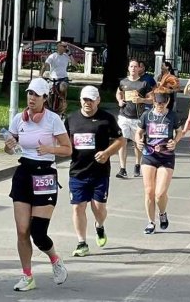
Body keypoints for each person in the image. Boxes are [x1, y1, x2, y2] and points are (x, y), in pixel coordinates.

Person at [3, 78, 72, 292]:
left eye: (36, 95)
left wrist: (50, 150)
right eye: (29, 93)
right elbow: (10, 148)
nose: (31, 98)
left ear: (44, 98)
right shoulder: (18, 119)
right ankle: (27, 276)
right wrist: (9, 146)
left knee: (38, 232)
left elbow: (68, 149)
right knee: (22, 230)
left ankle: (54, 260)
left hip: (45, 175)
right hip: (23, 173)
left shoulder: (53, 120)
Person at [65, 86, 125, 257]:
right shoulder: (72, 119)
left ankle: (99, 226)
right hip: (77, 171)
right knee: (78, 207)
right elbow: (65, 142)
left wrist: (107, 153)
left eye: (91, 100)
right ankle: (82, 242)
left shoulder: (106, 119)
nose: (87, 103)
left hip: (100, 172)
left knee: (98, 208)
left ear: (98, 100)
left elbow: (120, 140)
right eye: (85, 99)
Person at [134, 91, 183, 234]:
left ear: (167, 102)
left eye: (162, 103)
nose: (159, 105)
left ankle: (162, 213)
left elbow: (179, 131)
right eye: (157, 103)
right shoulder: (146, 115)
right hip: (149, 155)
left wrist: (175, 141)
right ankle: (150, 222)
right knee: (149, 191)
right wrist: (138, 141)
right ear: (153, 102)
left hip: (166, 156)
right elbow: (139, 132)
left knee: (160, 193)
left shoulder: (172, 116)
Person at [115, 59, 153, 179]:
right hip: (124, 116)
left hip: (138, 117)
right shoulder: (123, 82)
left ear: (139, 69)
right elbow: (118, 93)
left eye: (135, 67)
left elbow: (152, 99)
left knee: (137, 143)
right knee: (122, 141)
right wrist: (120, 100)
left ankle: (137, 164)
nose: (133, 69)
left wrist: (142, 100)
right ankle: (122, 168)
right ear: (128, 68)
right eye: (131, 66)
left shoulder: (144, 84)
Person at [41, 41, 74, 114]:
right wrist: (41, 75)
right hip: (53, 79)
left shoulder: (66, 56)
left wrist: (70, 54)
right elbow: (46, 65)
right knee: (48, 93)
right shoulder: (53, 56)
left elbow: (74, 64)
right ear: (58, 46)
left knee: (63, 87)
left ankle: (63, 104)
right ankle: (47, 109)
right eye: (64, 46)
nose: (66, 48)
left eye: (66, 47)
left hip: (63, 79)